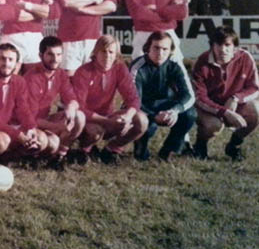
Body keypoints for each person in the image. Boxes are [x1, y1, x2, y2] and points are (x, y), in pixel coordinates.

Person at [72, 34, 148, 164]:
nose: (107, 56)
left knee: (141, 120)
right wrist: (106, 121)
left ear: (116, 54)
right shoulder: (83, 71)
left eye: (111, 52)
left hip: (108, 117)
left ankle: (112, 149)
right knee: (95, 132)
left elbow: (133, 99)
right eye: (103, 51)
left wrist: (128, 117)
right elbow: (79, 108)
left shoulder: (120, 68)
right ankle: (85, 149)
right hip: (87, 121)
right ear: (96, 52)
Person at [191, 26, 258, 160]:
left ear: (235, 46)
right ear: (212, 46)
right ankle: (200, 145)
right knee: (214, 125)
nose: (223, 49)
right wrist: (224, 112)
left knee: (256, 110)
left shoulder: (245, 57)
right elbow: (199, 97)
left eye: (227, 45)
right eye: (218, 44)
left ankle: (234, 145)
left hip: (234, 102)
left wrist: (236, 98)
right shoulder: (201, 62)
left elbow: (254, 87)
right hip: (210, 107)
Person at [130, 31, 196, 161]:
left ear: (171, 50)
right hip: (144, 106)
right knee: (145, 123)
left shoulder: (175, 63)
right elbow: (133, 100)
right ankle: (140, 146)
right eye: (156, 48)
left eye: (165, 49)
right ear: (148, 47)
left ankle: (169, 150)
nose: (160, 53)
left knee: (190, 114)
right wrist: (153, 116)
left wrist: (174, 111)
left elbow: (189, 95)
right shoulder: (137, 66)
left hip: (166, 105)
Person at [0, 43, 49, 165]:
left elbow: (23, 109)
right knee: (2, 141)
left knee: (41, 139)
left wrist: (30, 127)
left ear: (17, 64)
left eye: (10, 60)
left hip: (9, 126)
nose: (6, 63)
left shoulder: (19, 81)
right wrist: (18, 135)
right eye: (2, 59)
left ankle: (10, 157)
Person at [23, 36, 86, 166]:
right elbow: (31, 119)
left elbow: (73, 99)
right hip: (27, 124)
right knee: (48, 142)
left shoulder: (60, 74)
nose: (55, 59)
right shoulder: (32, 77)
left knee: (79, 116)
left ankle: (59, 156)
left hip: (44, 120)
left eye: (58, 54)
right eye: (50, 54)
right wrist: (57, 127)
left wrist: (70, 108)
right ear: (41, 55)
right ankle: (29, 155)